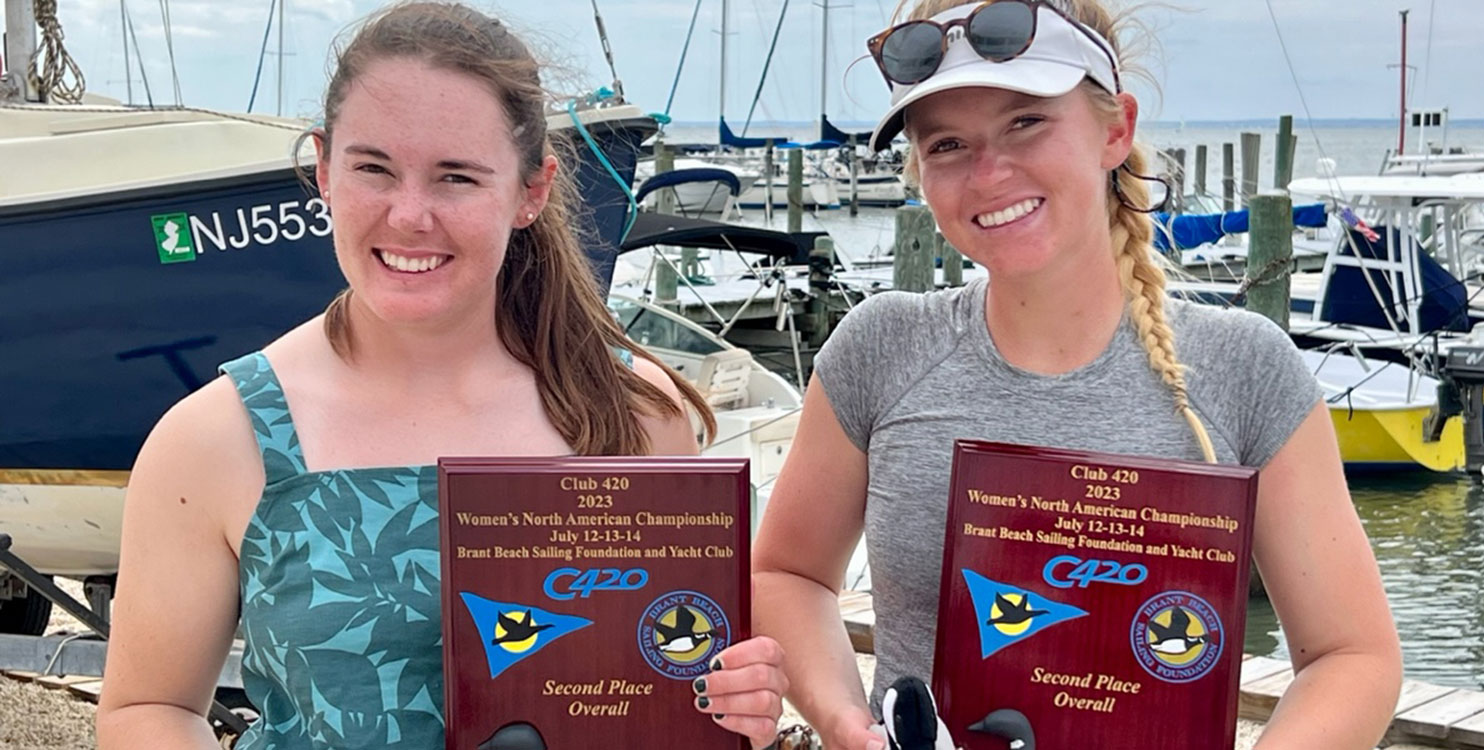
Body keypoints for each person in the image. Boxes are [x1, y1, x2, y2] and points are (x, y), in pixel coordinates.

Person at [96, 4, 785, 748]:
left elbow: (677, 691)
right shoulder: (215, 438)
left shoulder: (635, 411)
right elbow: (148, 709)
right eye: (373, 169)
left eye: (456, 177)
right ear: (324, 169)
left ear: (531, 192)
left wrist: (734, 710)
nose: (409, 215)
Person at [752, 1, 1402, 748]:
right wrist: (844, 721)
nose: (989, 173)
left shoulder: (1243, 368)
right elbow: (788, 575)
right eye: (947, 144)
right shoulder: (880, 347)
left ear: (1115, 129)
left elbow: (1351, 655)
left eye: (1026, 122)